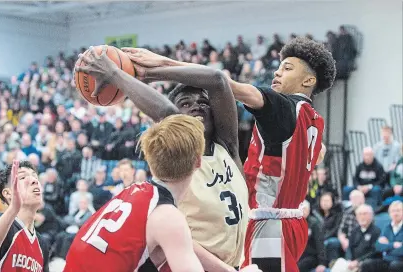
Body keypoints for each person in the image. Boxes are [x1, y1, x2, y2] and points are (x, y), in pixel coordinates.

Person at [119, 37, 334, 271]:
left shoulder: (282, 107)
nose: (277, 72)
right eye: (280, 66)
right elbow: (318, 152)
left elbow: (224, 84)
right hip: (292, 222)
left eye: (287, 68)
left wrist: (159, 65)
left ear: (308, 81)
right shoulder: (314, 119)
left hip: (270, 223)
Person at [77, 45, 249, 271]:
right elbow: (168, 114)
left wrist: (151, 72)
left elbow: (217, 80)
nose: (197, 106)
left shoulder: (227, 147)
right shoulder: (180, 157)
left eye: (203, 102)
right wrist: (116, 74)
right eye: (186, 104)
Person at [64, 114, 205, 271]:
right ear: (198, 161)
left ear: (150, 163)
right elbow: (175, 235)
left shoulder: (133, 191)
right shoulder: (168, 216)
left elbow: (179, 240)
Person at [0, 160, 49, 271]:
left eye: (35, 177)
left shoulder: (42, 244)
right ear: (8, 193)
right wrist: (13, 209)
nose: (34, 180)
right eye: (23, 177)